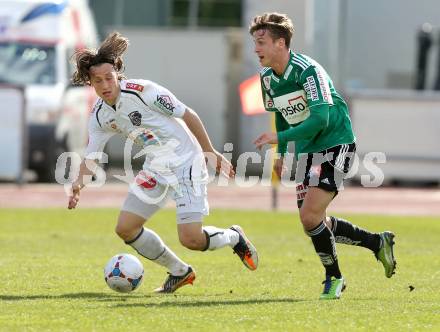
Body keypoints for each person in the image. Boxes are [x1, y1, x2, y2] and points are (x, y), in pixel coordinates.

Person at [67, 32, 258, 293]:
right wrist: (78, 184)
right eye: (97, 80)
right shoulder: (99, 115)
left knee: (191, 239)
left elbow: (187, 114)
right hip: (156, 167)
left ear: (117, 75)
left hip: (186, 162)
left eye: (109, 78)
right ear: (90, 82)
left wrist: (209, 151)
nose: (104, 85)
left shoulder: (144, 92)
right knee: (126, 228)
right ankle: (180, 272)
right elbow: (91, 156)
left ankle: (234, 236)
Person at [250, 13, 396, 300]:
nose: (256, 49)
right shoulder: (267, 77)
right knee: (312, 222)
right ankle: (377, 242)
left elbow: (322, 120)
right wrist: (281, 153)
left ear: (281, 43)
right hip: (306, 149)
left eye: (261, 42)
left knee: (309, 214)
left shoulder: (308, 71)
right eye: (255, 42)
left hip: (335, 142)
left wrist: (280, 139)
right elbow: (280, 113)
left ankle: (334, 278)